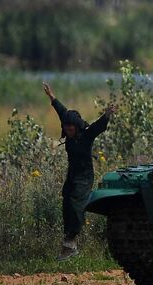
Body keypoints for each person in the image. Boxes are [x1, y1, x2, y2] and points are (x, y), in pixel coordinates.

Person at [43, 82, 115, 260]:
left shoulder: (86, 134)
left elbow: (98, 126)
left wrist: (106, 115)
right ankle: (69, 242)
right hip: (72, 174)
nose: (67, 129)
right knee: (67, 200)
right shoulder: (68, 129)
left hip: (84, 175)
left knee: (76, 200)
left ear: (76, 126)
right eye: (65, 127)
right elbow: (62, 111)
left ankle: (71, 241)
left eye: (70, 127)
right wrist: (52, 97)